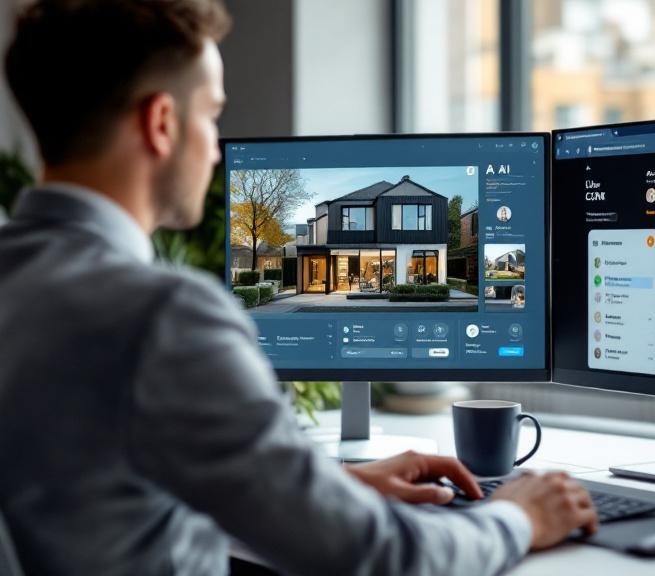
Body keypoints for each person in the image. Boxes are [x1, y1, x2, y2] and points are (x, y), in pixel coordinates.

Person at [0, 2, 598, 575]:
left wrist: (329, 489)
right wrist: (518, 516)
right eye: (212, 116)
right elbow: (377, 558)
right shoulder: (163, 316)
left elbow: (99, 489)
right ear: (161, 123)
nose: (215, 148)